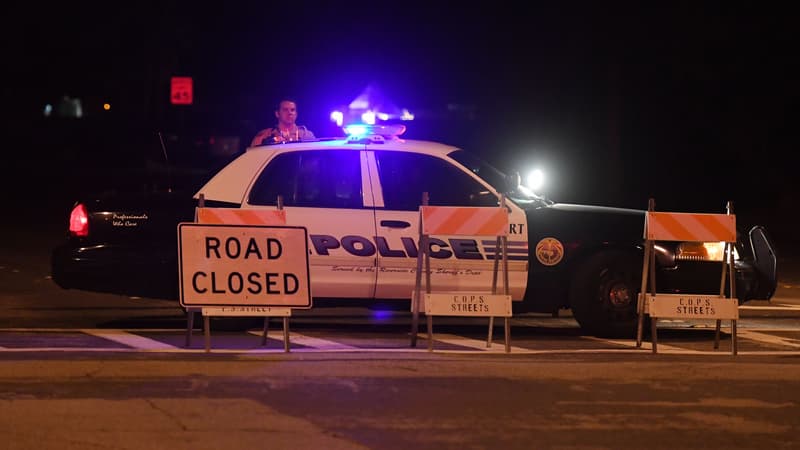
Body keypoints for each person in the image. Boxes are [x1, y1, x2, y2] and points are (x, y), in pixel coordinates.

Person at [250, 98, 315, 146]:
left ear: (296, 114)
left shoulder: (306, 136)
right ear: (277, 114)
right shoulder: (265, 136)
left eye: (292, 110)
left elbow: (315, 160)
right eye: (285, 110)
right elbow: (253, 158)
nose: (290, 113)